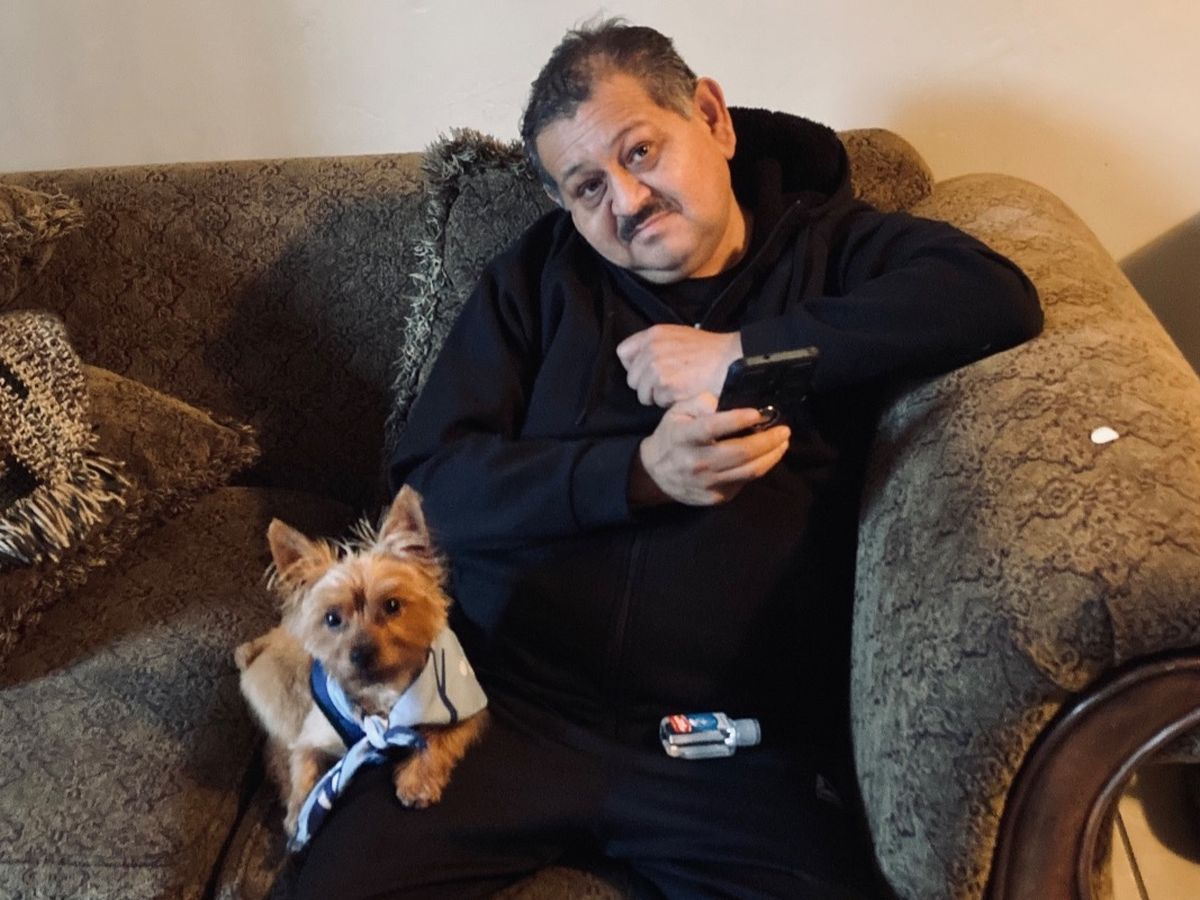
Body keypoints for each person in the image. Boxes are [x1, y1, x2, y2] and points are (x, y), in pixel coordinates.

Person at [294, 19, 1042, 900]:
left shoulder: (836, 250)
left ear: (713, 119)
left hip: (733, 743)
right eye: (586, 187)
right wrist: (636, 474)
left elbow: (995, 296)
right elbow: (433, 487)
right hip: (503, 714)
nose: (626, 200)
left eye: (640, 151)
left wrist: (744, 354)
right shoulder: (537, 278)